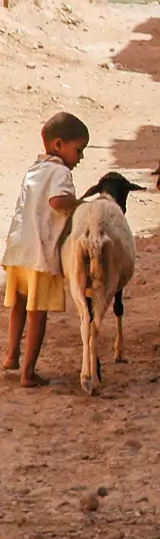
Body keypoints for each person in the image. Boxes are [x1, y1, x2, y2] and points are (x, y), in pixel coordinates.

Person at [2, 112, 89, 387]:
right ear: (59, 144)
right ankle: (28, 373)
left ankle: (11, 354)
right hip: (41, 254)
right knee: (37, 313)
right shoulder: (61, 172)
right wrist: (79, 204)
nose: (81, 158)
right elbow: (56, 202)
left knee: (18, 304)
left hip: (19, 250)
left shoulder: (35, 169)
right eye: (79, 150)